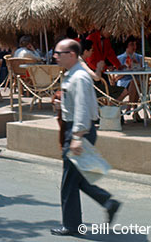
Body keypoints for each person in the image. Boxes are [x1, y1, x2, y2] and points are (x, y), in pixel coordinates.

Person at [51, 39, 120, 236]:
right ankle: (107, 202)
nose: (55, 56)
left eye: (58, 52)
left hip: (78, 130)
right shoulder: (73, 74)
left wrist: (77, 137)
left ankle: (72, 224)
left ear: (71, 54)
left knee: (69, 181)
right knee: (76, 178)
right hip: (75, 128)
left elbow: (82, 108)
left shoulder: (79, 77)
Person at [114, 36, 143, 122]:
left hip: (136, 81)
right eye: (131, 45)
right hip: (124, 81)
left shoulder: (139, 57)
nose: (134, 47)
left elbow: (142, 70)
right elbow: (116, 78)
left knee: (136, 82)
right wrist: (127, 70)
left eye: (135, 44)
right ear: (127, 46)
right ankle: (131, 108)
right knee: (135, 83)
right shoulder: (120, 58)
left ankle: (130, 107)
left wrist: (138, 65)